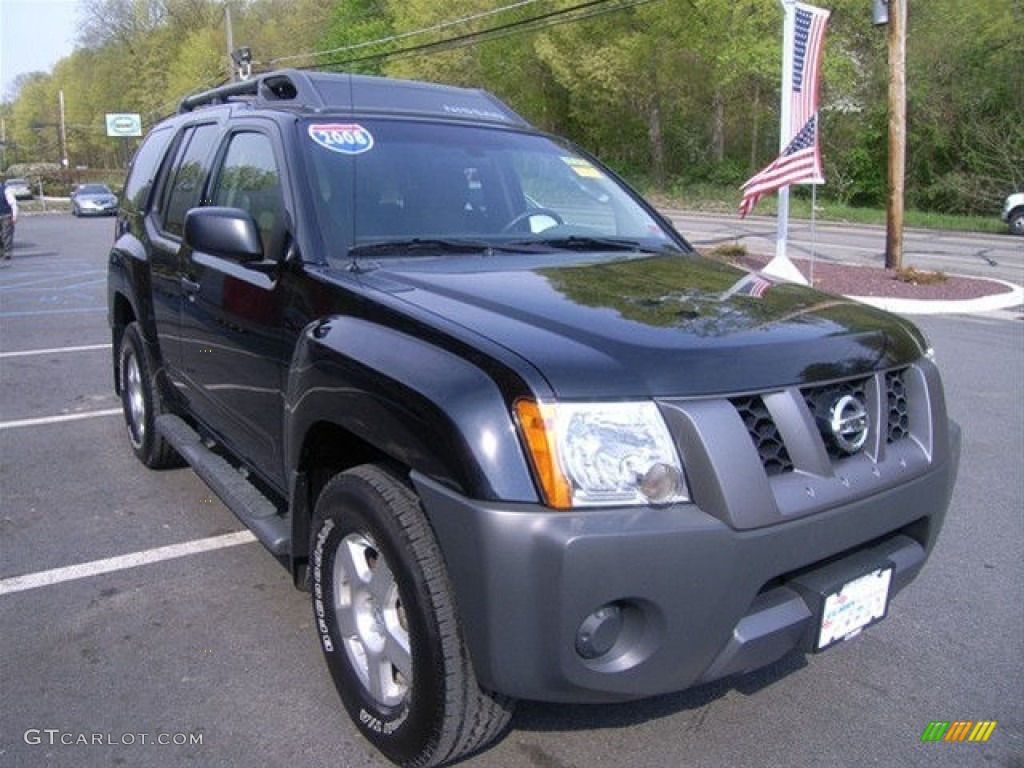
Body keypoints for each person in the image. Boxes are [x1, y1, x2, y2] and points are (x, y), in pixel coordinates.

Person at [1, 179, 17, 260]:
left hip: (6, 215)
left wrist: (15, 215)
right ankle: (1, 252)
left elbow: (13, 203)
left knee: (6, 234)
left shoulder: (6, 189)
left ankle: (7, 252)